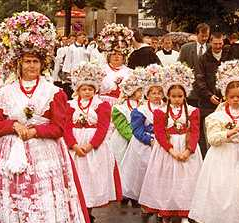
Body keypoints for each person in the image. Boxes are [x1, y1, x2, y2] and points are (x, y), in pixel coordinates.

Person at [0, 11, 89, 223]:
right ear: (19, 64)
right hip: (9, 152)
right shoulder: (4, 93)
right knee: (15, 197)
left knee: (41, 199)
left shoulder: (53, 92)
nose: (31, 66)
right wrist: (14, 126)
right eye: (27, 61)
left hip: (45, 154)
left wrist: (35, 131)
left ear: (42, 64)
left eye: (35, 61)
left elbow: (58, 127)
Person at [189, 60, 239, 223]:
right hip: (221, 157)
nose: (236, 100)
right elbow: (213, 139)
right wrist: (229, 133)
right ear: (225, 97)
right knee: (221, 190)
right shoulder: (215, 117)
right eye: (232, 97)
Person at [139, 62, 202, 223]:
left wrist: (189, 150)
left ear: (185, 95)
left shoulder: (193, 111)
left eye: (180, 96)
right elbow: (159, 133)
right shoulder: (160, 112)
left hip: (187, 149)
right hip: (167, 151)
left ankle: (185, 212)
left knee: (186, 181)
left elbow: (195, 131)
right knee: (166, 180)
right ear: (168, 96)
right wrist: (171, 150)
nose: (177, 99)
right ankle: (165, 210)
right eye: (173, 96)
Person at [64, 62, 122, 222]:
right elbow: (66, 126)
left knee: (91, 179)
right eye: (84, 89)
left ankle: (88, 209)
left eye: (90, 89)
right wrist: (73, 145)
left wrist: (91, 145)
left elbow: (103, 128)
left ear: (95, 90)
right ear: (78, 90)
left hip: (93, 148)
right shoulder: (70, 105)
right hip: (75, 147)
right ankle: (77, 209)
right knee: (76, 178)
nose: (87, 92)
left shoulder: (101, 105)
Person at [120, 64, 165, 214]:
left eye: (159, 93)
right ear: (147, 94)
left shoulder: (166, 108)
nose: (157, 96)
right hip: (143, 143)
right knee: (140, 170)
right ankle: (138, 196)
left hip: (161, 143)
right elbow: (136, 129)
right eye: (153, 93)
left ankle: (156, 197)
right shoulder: (141, 110)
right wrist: (148, 139)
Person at [194, 32, 232, 157]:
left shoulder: (229, 56)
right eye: (215, 43)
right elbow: (199, 80)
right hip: (207, 104)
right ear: (210, 42)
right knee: (209, 133)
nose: (218, 46)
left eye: (220, 43)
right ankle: (209, 158)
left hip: (227, 101)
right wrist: (209, 95)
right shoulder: (203, 59)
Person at [108, 67, 147, 166]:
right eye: (139, 90)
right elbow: (122, 126)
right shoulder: (120, 107)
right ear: (131, 91)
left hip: (140, 138)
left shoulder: (143, 105)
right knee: (122, 162)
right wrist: (134, 138)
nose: (141, 93)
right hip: (123, 139)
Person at [98, 23, 133, 105]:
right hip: (103, 104)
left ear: (124, 58)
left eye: (119, 54)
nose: (116, 57)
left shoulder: (130, 72)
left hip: (122, 104)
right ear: (108, 56)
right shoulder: (101, 70)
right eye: (113, 54)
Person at [179, 23, 210, 107]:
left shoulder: (211, 48)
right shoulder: (185, 48)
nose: (204, 38)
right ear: (196, 34)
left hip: (207, 90)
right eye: (202, 36)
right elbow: (179, 67)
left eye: (206, 36)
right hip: (191, 91)